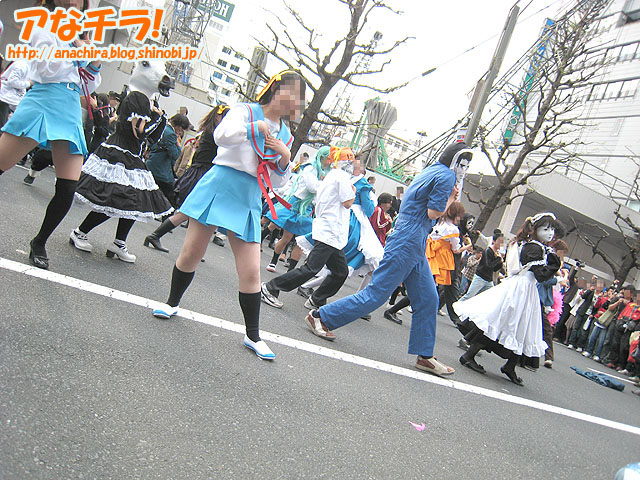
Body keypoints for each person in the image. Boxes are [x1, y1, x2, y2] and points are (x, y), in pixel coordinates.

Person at [151, 70, 304, 361]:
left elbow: (278, 181)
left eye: (298, 97)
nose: (294, 100)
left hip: (249, 194)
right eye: (291, 92)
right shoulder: (245, 111)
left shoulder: (286, 133)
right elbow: (221, 137)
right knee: (191, 253)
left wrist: (285, 157)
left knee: (251, 271)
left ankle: (253, 335)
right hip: (220, 183)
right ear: (275, 89)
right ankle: (172, 303)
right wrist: (254, 127)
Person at [303, 142, 474, 376]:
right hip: (409, 240)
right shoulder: (446, 177)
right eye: (463, 164)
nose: (464, 170)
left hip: (412, 239)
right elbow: (434, 212)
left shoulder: (433, 170)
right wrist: (452, 199)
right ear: (456, 162)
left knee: (428, 298)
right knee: (376, 294)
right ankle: (320, 316)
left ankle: (425, 355)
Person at [0, 0, 101, 269]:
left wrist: (93, 63)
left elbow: (88, 83)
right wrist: (78, 50)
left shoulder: (83, 31)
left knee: (68, 187)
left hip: (69, 105)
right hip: (43, 100)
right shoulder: (42, 23)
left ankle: (39, 242)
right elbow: (47, 68)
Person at [455, 213, 562, 386]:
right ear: (535, 229)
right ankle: (471, 356)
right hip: (521, 290)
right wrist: (554, 265)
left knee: (518, 326)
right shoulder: (534, 248)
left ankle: (509, 365)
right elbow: (540, 275)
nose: (550, 233)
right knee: (506, 323)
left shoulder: (533, 246)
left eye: (552, 230)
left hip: (524, 289)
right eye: (546, 229)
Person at [261, 147, 358, 310]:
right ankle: (271, 288)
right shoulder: (341, 177)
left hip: (332, 232)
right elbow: (348, 202)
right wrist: (353, 190)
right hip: (330, 231)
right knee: (311, 268)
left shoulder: (331, 175)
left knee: (340, 272)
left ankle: (317, 300)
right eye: (351, 161)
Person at [143, 105, 230, 253]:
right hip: (203, 175)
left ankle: (182, 247)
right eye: (227, 117)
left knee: (192, 214)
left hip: (201, 174)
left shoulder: (211, 132)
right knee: (190, 213)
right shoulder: (215, 134)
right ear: (218, 117)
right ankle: (163, 239)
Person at [263, 146, 332, 272]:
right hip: (295, 204)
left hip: (309, 209)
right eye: (329, 158)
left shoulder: (327, 173)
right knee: (286, 237)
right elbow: (312, 187)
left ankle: (290, 272)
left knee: (301, 242)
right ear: (322, 157)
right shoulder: (310, 168)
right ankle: (273, 261)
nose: (330, 161)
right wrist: (326, 185)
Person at [427, 201, 470, 325]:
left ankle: (395, 308)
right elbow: (456, 249)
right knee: (430, 288)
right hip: (443, 260)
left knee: (429, 286)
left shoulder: (440, 222)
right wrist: (468, 245)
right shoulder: (453, 229)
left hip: (431, 255)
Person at [146, 114, 191, 208]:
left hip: (153, 164)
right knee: (169, 199)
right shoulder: (171, 134)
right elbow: (175, 155)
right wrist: (178, 145)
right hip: (161, 170)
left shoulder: (163, 128)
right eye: (182, 129)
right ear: (179, 126)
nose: (181, 132)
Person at [459, 230, 504, 301]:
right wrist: (498, 259)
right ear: (493, 241)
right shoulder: (488, 251)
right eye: (499, 241)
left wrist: (500, 261)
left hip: (489, 280)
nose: (500, 244)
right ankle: (455, 306)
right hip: (480, 278)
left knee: (487, 299)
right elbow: (488, 266)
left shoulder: (497, 253)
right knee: (469, 296)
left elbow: (495, 269)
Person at [0, 60, 30, 129]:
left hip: (12, 100)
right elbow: (12, 81)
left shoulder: (29, 67)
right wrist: (29, 83)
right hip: (5, 98)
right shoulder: (22, 65)